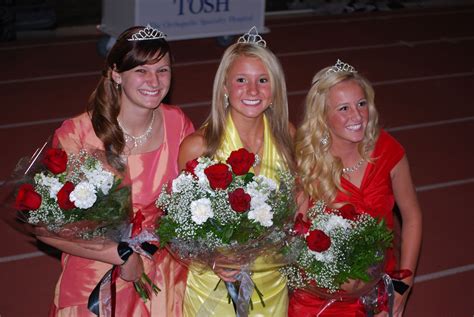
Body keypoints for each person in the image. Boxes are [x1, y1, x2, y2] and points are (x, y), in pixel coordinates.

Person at [39, 25, 195, 316]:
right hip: (98, 272)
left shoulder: (178, 124)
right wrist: (120, 255)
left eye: (163, 70)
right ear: (116, 73)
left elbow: (193, 199)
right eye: (141, 71)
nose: (154, 81)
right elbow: (44, 227)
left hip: (165, 276)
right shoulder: (77, 135)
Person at [289, 60, 422, 317]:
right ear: (323, 116)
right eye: (343, 108)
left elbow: (412, 216)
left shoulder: (388, 150)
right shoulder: (306, 161)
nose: (357, 116)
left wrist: (403, 284)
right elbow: (293, 235)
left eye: (361, 104)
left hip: (378, 293)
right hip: (318, 301)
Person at [178, 27, 295, 316]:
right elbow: (178, 224)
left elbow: (298, 202)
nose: (253, 91)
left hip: (272, 284)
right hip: (215, 287)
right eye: (241, 80)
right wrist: (214, 259)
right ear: (225, 89)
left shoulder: (288, 138)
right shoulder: (199, 147)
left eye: (263, 80)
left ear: (275, 88)